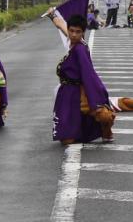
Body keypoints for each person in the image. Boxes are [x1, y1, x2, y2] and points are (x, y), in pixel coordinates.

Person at [45, 9, 116, 144]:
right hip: (66, 92)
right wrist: (52, 16)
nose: (73, 34)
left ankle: (105, 127)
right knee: (66, 138)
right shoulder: (73, 41)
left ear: (83, 32)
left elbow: (88, 73)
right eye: (71, 31)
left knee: (69, 139)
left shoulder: (80, 49)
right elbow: (62, 26)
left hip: (76, 90)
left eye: (78, 32)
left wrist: (95, 99)